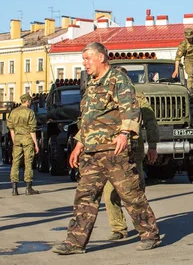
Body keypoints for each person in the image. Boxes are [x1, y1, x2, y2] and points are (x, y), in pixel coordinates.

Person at [52, 42, 160, 255]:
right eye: (83, 59)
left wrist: (124, 134)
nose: (85, 64)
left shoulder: (118, 80)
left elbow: (130, 109)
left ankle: (150, 234)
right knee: (85, 197)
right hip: (91, 153)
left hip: (114, 151)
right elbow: (88, 119)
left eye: (87, 58)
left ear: (101, 57)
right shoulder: (91, 85)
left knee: (131, 195)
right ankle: (75, 242)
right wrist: (78, 145)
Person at [103, 66, 160, 241]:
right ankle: (118, 227)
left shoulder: (138, 99)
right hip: (110, 150)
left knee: (136, 189)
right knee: (109, 190)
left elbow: (151, 123)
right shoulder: (104, 98)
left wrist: (152, 146)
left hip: (133, 150)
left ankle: (141, 224)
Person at [8, 93, 40, 196]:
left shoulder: (13, 112)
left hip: (17, 139)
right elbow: (32, 130)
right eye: (29, 101)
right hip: (27, 139)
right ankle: (28, 187)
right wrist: (36, 144)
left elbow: (11, 128)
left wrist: (14, 140)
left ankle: (14, 189)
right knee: (28, 162)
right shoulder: (30, 112)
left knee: (15, 162)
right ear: (27, 101)